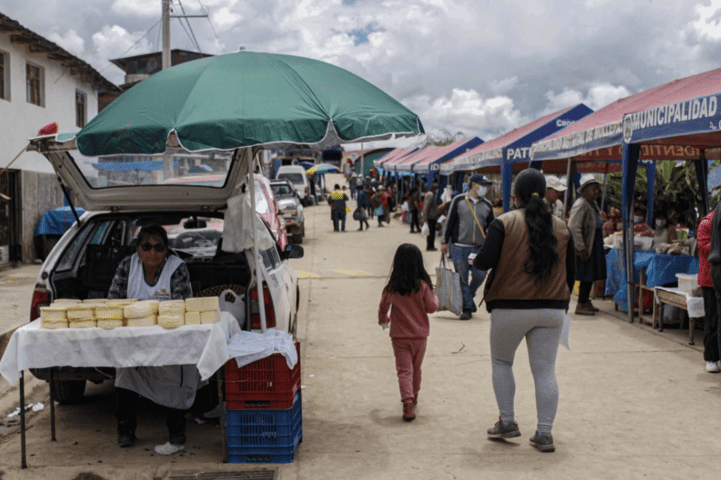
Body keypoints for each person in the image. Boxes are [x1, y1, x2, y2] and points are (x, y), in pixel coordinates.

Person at [473, 168, 576, 453]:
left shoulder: (503, 223)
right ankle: (544, 434)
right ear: (544, 194)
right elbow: (571, 274)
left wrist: (476, 258)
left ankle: (507, 422)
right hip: (552, 310)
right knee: (545, 372)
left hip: (510, 307)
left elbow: (484, 262)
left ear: (514, 194)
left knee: (502, 363)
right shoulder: (561, 227)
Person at [107, 224, 195, 455]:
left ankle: (176, 431)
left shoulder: (177, 268)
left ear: (166, 250)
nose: (152, 253)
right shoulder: (127, 266)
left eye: (159, 247)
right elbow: (113, 300)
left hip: (169, 340)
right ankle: (125, 429)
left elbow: (181, 306)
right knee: (125, 374)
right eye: (147, 246)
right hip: (133, 340)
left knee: (176, 376)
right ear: (137, 248)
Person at [378, 243, 438, 422]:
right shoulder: (423, 286)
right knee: (416, 368)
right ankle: (414, 396)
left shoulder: (392, 287)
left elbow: (383, 307)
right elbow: (431, 307)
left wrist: (384, 320)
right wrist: (434, 296)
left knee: (404, 370)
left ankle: (407, 403)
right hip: (420, 336)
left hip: (399, 336)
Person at [440, 174, 494, 320]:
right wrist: (444, 241)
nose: (485, 188)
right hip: (459, 247)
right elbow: (449, 221)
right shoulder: (458, 201)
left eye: (486, 185)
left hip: (478, 249)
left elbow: (491, 228)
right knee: (462, 278)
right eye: (482, 184)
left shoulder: (488, 205)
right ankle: (467, 309)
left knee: (480, 275)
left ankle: (469, 297)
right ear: (473, 185)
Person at [568, 174, 607, 316]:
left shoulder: (592, 203)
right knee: (586, 274)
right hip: (586, 245)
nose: (597, 192)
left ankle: (585, 301)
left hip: (594, 242)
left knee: (591, 274)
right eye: (594, 189)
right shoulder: (581, 204)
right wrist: (581, 248)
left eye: (597, 189)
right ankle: (580, 304)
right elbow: (573, 227)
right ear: (584, 190)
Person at [697, 209, 719, 373]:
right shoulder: (706, 223)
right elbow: (705, 248)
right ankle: (711, 357)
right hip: (710, 279)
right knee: (712, 319)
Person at [423, 181, 441, 251]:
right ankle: (430, 247)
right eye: (436, 188)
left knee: (431, 232)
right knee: (431, 233)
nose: (437, 190)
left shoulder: (431, 194)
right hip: (430, 217)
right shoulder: (431, 195)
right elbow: (427, 207)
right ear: (434, 188)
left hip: (431, 217)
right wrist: (425, 217)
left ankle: (431, 246)